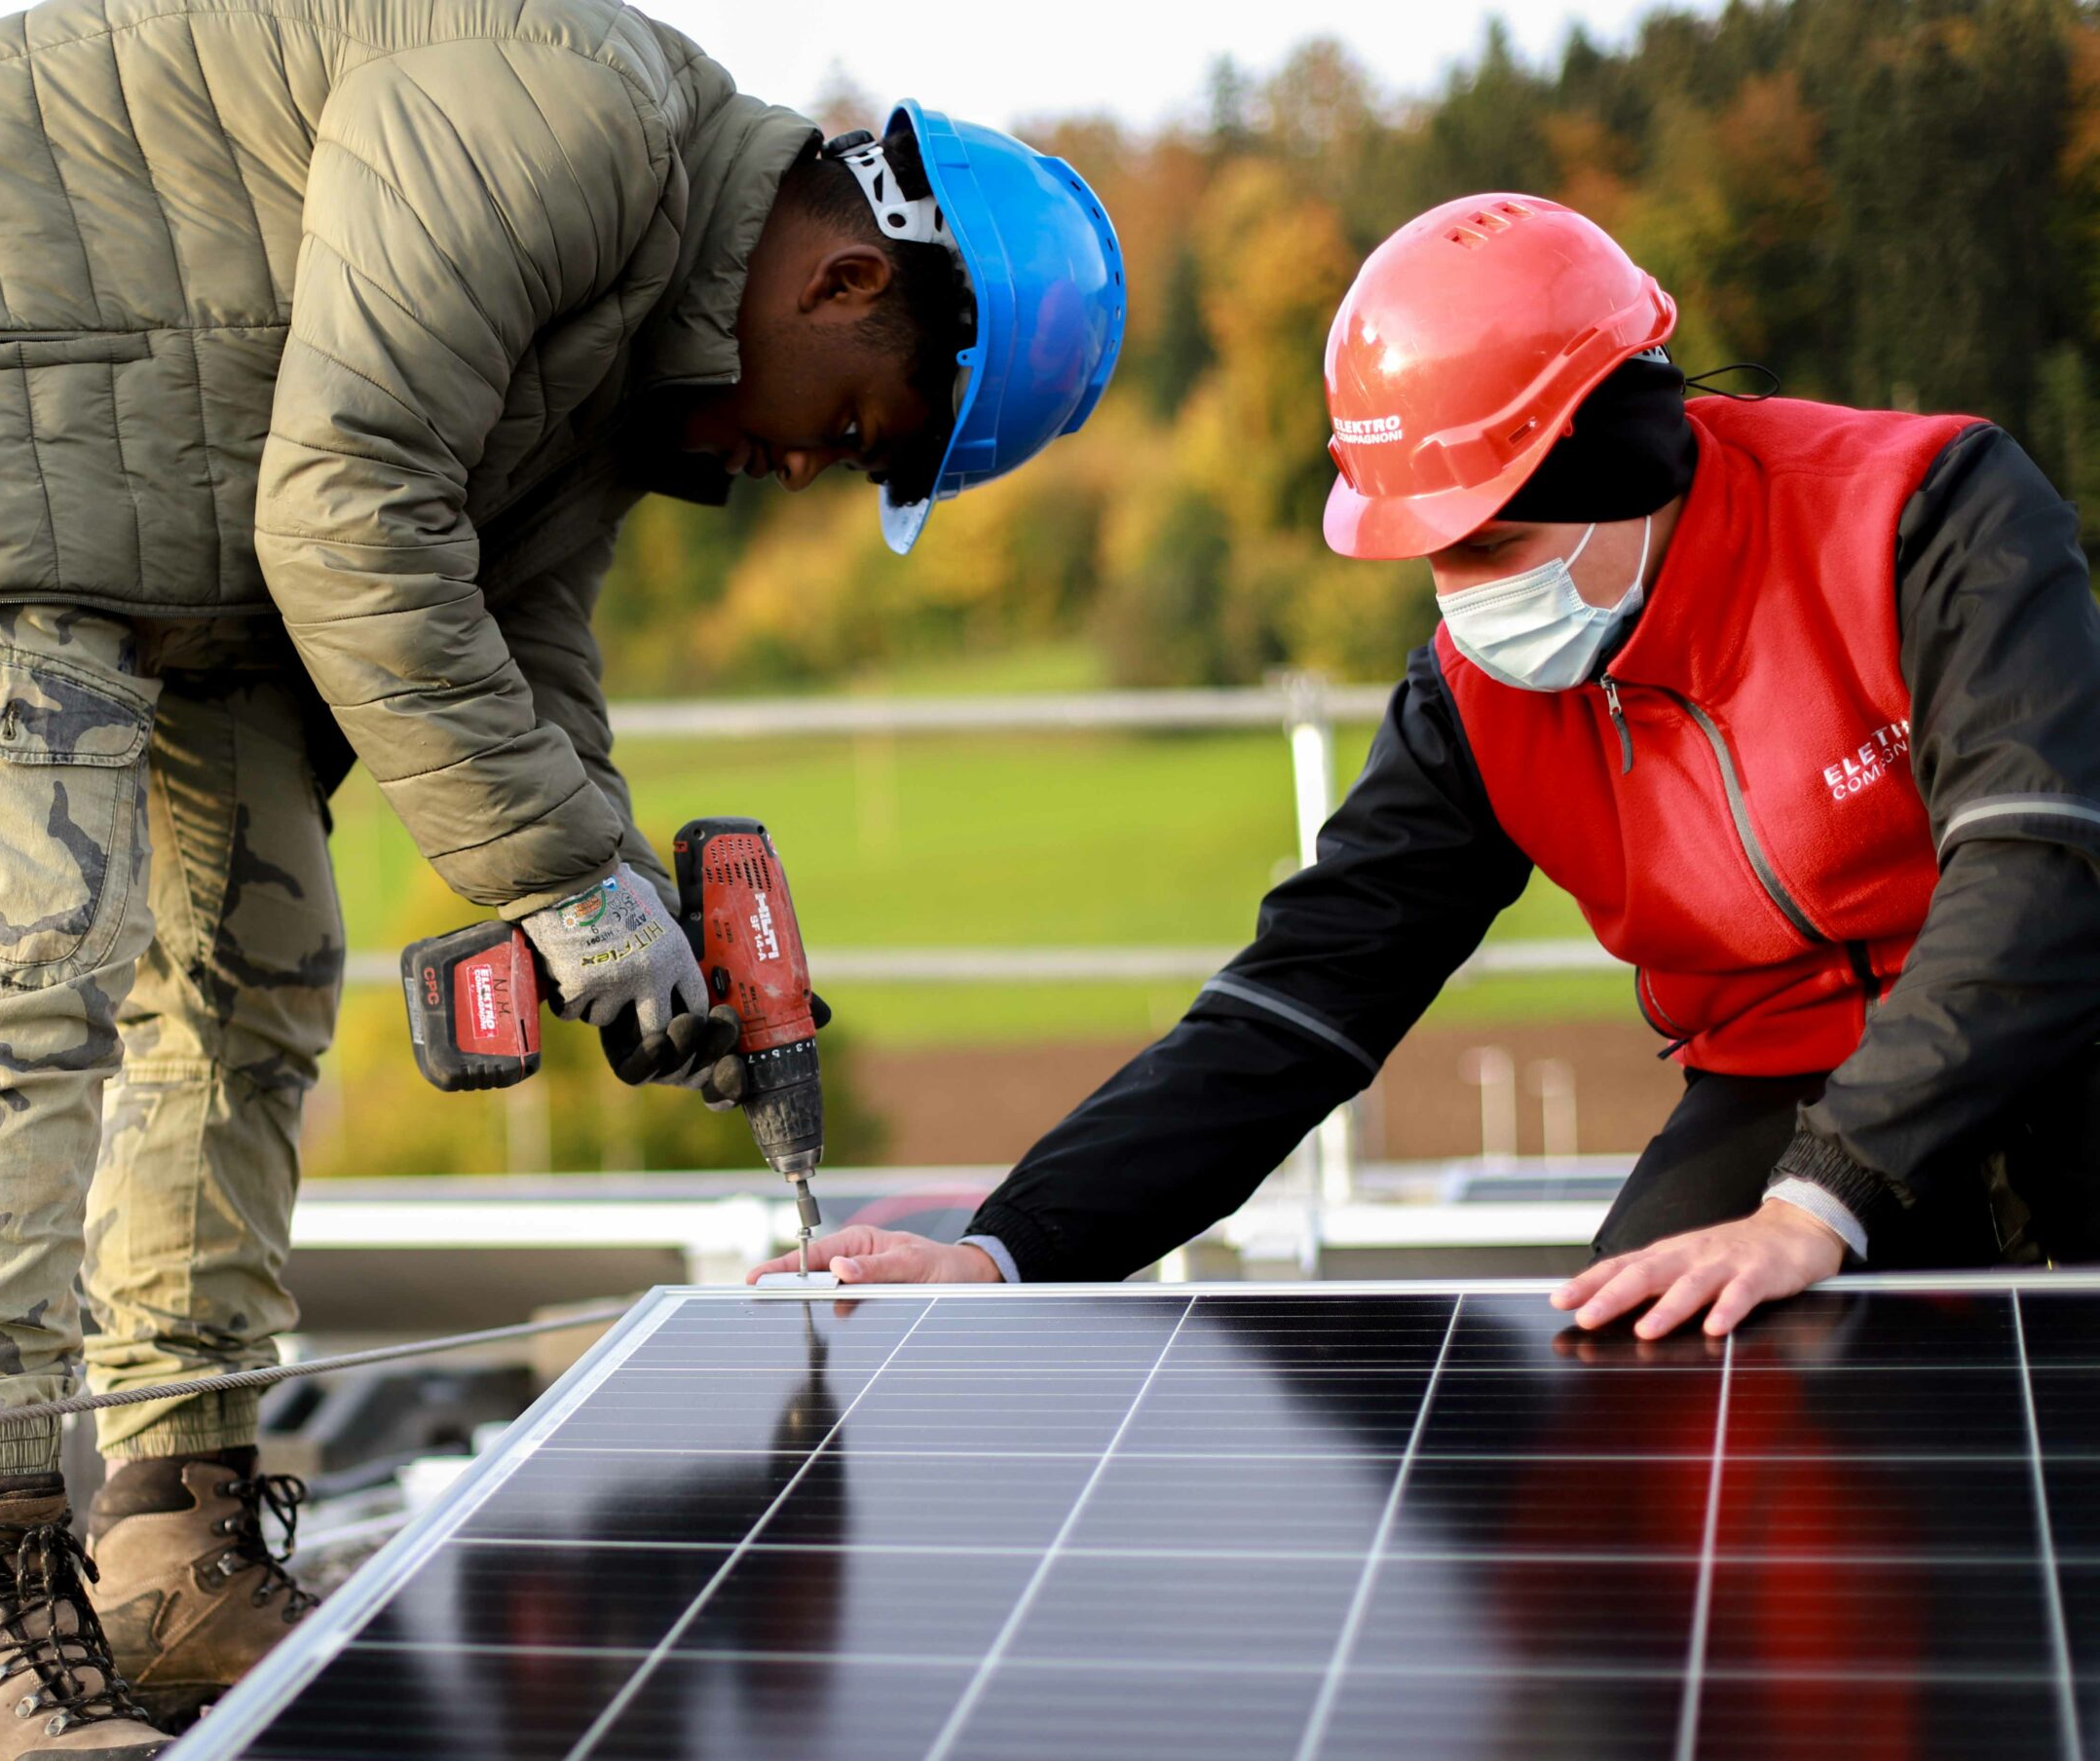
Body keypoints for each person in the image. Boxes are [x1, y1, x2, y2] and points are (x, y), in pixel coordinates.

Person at [0, 0, 1123, 1761]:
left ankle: (170, 1542)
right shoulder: (573, 122)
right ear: (846, 279)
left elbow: (517, 627)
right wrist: (551, 877)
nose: (801, 472)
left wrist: (621, 906)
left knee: (259, 962)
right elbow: (353, 505)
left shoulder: (631, 365)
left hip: (184, 496)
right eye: (853, 431)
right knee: (29, 951)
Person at [764, 192, 2100, 1345]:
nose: (1464, 600)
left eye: (1492, 543)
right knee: (1645, 1401)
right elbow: (1301, 1003)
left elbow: (2037, 865)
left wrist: (1821, 1202)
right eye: (1434, 555)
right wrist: (1009, 1250)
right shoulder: (1478, 698)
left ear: (1626, 459)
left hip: (2058, 1033)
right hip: (1773, 1086)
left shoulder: (1926, 513)